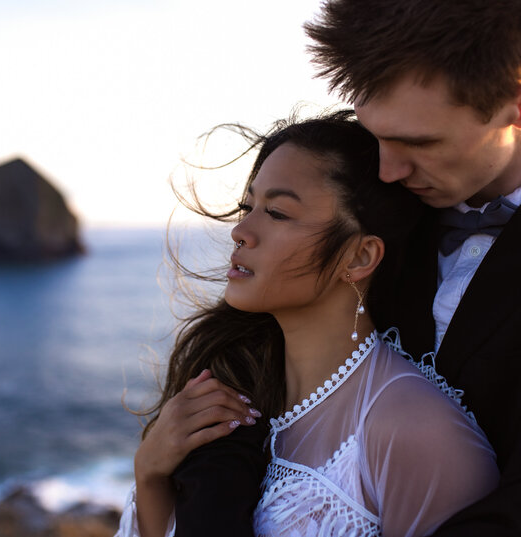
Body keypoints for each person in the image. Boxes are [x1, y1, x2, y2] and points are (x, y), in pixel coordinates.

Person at [303, 1, 521, 536]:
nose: (387, 170)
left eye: (421, 143)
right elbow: (256, 361)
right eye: (375, 132)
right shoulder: (353, 178)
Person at [115, 110, 499, 536]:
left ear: (359, 257)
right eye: (248, 207)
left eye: (277, 213)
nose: (240, 230)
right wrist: (150, 473)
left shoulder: (415, 432)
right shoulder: (228, 388)